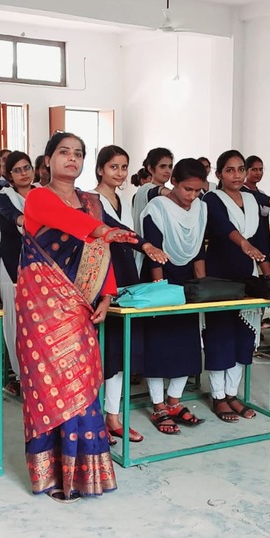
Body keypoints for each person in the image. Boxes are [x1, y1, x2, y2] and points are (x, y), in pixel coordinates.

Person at [16, 132, 143, 502]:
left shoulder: (91, 202)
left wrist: (107, 294)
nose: (71, 159)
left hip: (79, 306)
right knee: (48, 386)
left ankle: (85, 472)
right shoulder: (39, 197)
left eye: (78, 154)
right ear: (48, 160)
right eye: (64, 152)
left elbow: (100, 251)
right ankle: (51, 474)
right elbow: (67, 221)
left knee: (81, 383)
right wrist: (102, 229)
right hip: (42, 308)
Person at [93, 144, 167, 443]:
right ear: (100, 169)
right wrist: (145, 244)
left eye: (124, 167)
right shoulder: (91, 200)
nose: (120, 172)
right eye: (114, 167)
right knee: (104, 350)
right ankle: (95, 418)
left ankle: (113, 417)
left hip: (126, 273)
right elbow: (114, 229)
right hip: (103, 276)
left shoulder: (124, 199)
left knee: (120, 351)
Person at [203, 150, 270, 423]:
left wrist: (268, 276)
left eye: (241, 169)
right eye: (230, 170)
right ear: (219, 174)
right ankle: (218, 395)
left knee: (244, 336)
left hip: (247, 275)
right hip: (220, 275)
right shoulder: (212, 199)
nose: (237, 175)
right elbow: (222, 227)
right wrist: (244, 244)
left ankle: (232, 393)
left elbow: (261, 240)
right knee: (220, 335)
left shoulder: (252, 200)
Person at [140, 158, 208, 433]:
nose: (192, 196)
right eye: (187, 189)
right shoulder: (156, 208)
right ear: (174, 183)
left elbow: (199, 251)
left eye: (197, 190)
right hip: (159, 280)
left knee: (186, 344)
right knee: (159, 345)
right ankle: (158, 406)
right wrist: (161, 291)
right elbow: (154, 253)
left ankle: (174, 402)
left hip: (187, 283)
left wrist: (203, 288)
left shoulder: (201, 208)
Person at [0, 151, 35, 396]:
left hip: (39, 266)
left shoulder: (42, 193)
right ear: (9, 175)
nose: (23, 173)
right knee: (16, 323)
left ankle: (38, 374)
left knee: (38, 323)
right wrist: (30, 220)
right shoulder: (3, 196)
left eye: (26, 167)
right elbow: (13, 216)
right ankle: (20, 376)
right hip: (12, 266)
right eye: (17, 170)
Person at [131, 147, 173, 233]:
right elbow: (155, 192)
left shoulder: (168, 191)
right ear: (151, 169)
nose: (168, 171)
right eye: (162, 167)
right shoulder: (145, 189)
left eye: (170, 167)